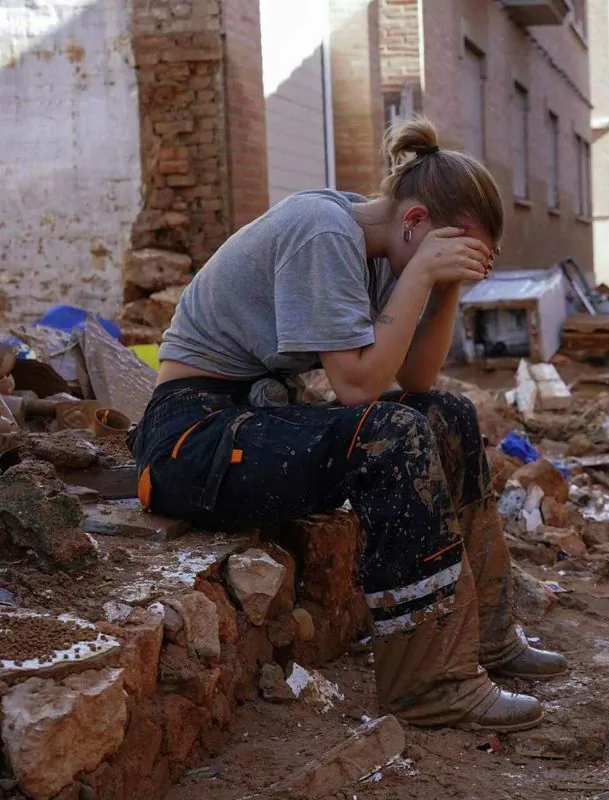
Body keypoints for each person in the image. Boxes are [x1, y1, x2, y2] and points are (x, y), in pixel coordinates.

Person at [129, 118, 566, 733]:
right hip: (191, 439)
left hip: (257, 416)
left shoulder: (385, 249)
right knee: (391, 435)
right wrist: (419, 274)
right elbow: (357, 388)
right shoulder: (323, 232)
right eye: (450, 247)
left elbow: (416, 379)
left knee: (447, 414)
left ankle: (489, 637)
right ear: (414, 222)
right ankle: (430, 685)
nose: (451, 262)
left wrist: (444, 289)